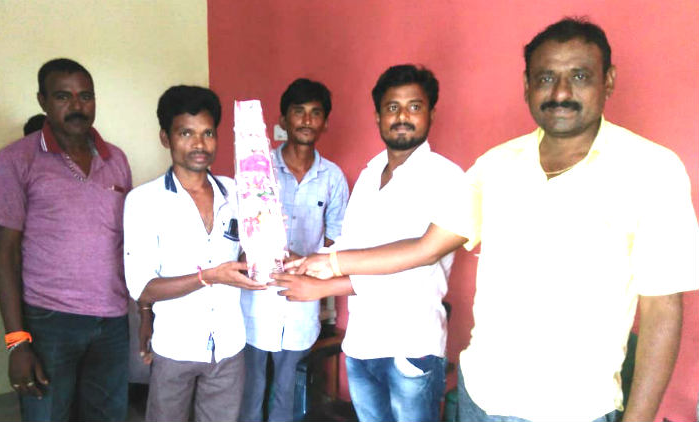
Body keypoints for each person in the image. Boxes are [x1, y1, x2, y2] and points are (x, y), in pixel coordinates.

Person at [281, 18, 699, 422]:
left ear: (608, 80)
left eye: (580, 76)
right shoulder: (496, 165)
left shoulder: (652, 170)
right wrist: (326, 263)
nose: (561, 92)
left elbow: (663, 309)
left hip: (573, 407)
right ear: (527, 86)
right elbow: (425, 247)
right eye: (546, 78)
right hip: (482, 395)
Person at [275, 64, 470, 422]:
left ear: (431, 113)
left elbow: (415, 261)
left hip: (410, 346)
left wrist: (327, 272)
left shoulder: (447, 177)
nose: (402, 117)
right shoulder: (369, 175)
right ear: (379, 116)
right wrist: (303, 264)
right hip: (362, 344)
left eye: (414, 106)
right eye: (392, 107)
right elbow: (352, 249)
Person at [0, 58, 132, 421]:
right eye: (63, 96)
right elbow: (6, 255)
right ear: (43, 101)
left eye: (85, 96)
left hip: (112, 320)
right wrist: (16, 342)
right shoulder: (17, 158)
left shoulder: (116, 159)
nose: (77, 106)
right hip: (50, 321)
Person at [123, 85, 265, 422]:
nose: (199, 144)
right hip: (175, 345)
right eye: (186, 133)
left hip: (229, 344)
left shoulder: (237, 192)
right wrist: (210, 277)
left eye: (208, 133)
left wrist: (268, 239)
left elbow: (250, 257)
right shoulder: (143, 201)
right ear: (166, 138)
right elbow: (142, 287)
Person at [239, 78, 349, 422]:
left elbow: (337, 240)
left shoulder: (333, 178)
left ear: (325, 123)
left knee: (287, 387)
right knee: (252, 385)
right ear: (283, 119)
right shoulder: (257, 169)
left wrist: (308, 263)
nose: (306, 120)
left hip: (302, 298)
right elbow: (241, 230)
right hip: (258, 295)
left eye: (315, 113)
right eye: (298, 111)